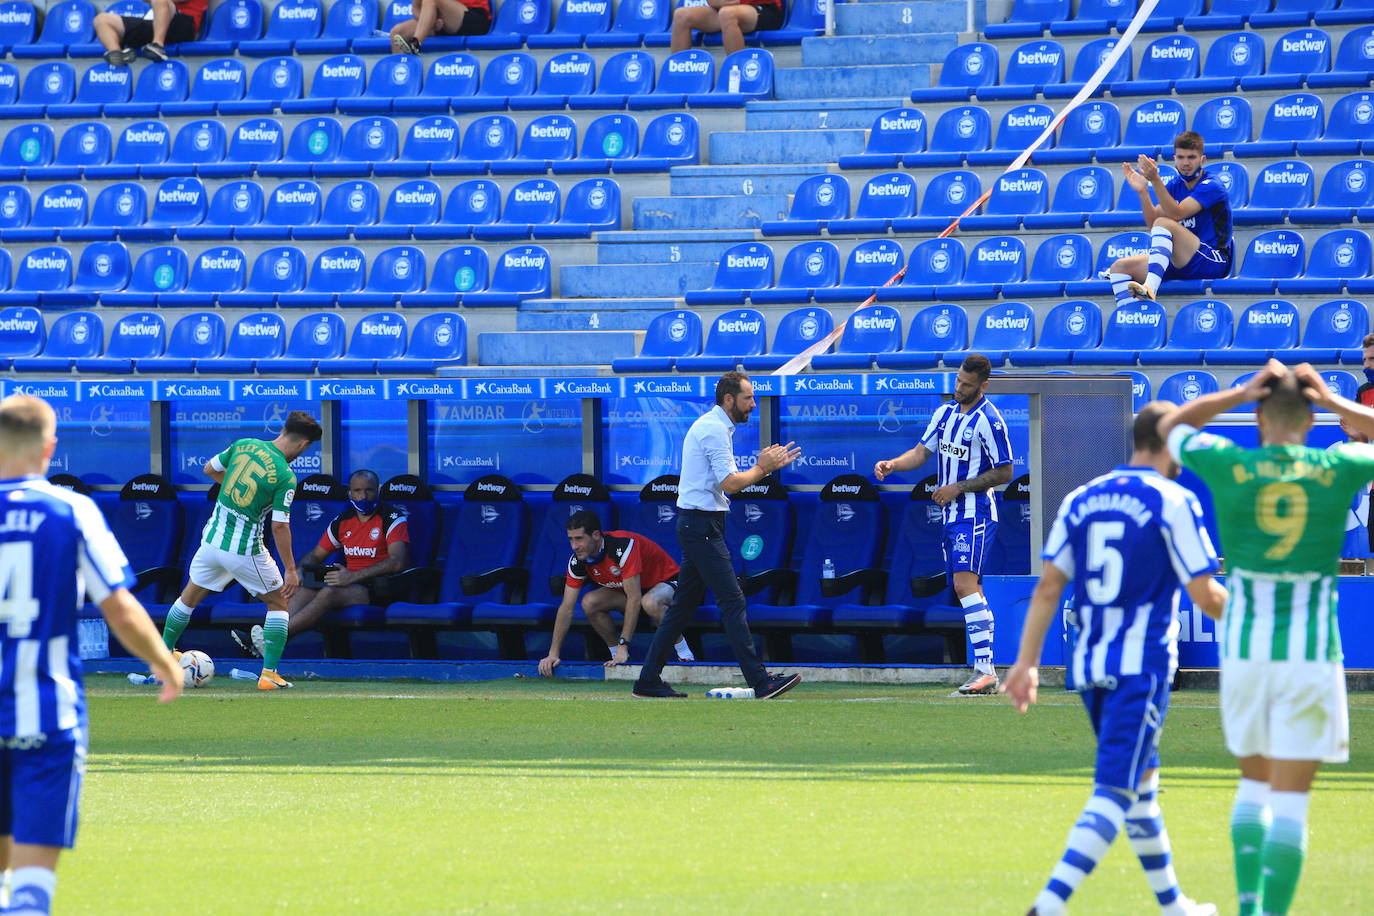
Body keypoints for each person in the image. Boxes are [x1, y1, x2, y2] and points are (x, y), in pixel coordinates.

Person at [1157, 360, 1374, 916]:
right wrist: (1332, 399)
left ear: (1258, 415)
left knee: (1253, 790)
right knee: (1292, 803)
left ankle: (1248, 906)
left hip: (1248, 652)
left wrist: (1238, 391)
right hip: (1311, 654)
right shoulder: (1338, 463)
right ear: (1310, 418)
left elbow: (1168, 428)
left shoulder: (1232, 466)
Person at [1003, 401, 1225, 916]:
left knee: (1141, 787)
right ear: (1172, 442)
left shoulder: (1082, 498)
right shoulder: (1174, 500)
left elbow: (1048, 589)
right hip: (1139, 667)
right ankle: (1049, 905)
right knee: (1115, 790)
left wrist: (1027, 663)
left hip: (1089, 664)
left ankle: (1175, 907)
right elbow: (1206, 594)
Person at [0, 394, 182, 916]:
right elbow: (120, 608)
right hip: (47, 712)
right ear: (50, 448)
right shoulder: (72, 509)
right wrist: (165, 663)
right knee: (33, 889)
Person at [632, 371, 802, 700]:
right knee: (732, 600)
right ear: (728, 399)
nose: (753, 404)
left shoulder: (717, 426)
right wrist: (764, 467)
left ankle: (647, 679)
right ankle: (761, 682)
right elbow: (731, 484)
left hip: (700, 525)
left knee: (681, 607)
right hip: (700, 527)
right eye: (748, 398)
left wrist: (763, 465)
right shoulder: (713, 429)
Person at [874, 353, 1015, 695]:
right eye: (957, 382)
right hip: (951, 516)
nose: (959, 389)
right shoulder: (945, 414)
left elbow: (1006, 470)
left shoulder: (990, 420)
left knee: (965, 585)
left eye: (966, 385)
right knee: (969, 589)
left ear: (983, 385)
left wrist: (959, 487)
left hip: (976, 511)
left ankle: (985, 671)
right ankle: (987, 670)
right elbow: (922, 452)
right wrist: (893, 464)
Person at [159, 412, 322, 691]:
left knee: (188, 599)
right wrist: (292, 570)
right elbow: (281, 527)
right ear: (303, 444)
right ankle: (269, 675)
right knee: (279, 603)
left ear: (283, 430)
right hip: (245, 548)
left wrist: (235, 488)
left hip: (212, 540)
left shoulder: (244, 444)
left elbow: (209, 469)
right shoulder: (285, 475)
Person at [231, 470, 409, 659]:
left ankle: (273, 641)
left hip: (379, 587)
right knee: (304, 590)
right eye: (357, 491)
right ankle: (268, 642)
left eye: (369, 490)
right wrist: (299, 571)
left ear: (378, 491)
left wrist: (352, 576)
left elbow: (398, 562)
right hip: (348, 583)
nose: (363, 496)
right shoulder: (343, 520)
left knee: (329, 591)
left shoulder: (392, 517)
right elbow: (315, 555)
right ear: (350, 493)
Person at [538, 510, 693, 677]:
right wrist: (553, 653)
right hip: (635, 593)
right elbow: (566, 608)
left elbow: (634, 599)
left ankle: (685, 654)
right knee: (590, 602)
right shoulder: (577, 561)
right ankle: (615, 658)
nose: (574, 546)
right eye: (571, 539)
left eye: (579, 538)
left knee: (650, 602)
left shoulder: (623, 546)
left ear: (596, 535)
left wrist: (623, 645)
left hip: (669, 583)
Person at [1106, 131, 1233, 306]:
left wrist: (1155, 179)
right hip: (1182, 259)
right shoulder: (1176, 185)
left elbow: (1176, 214)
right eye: (1181, 157)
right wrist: (1143, 192)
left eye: (1191, 157)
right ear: (1174, 158)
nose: (1186, 163)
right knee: (1120, 267)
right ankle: (1128, 321)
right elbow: (1153, 224)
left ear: (1202, 160)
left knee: (1165, 223)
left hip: (1212, 260)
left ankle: (1150, 288)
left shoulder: (1212, 185)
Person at [94, 0, 206, 66]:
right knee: (102, 20)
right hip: (155, 20)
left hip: (184, 24)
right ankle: (118, 54)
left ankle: (157, 46)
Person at [670, 0, 784, 55]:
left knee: (727, 13)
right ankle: (677, 73)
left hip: (766, 8)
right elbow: (713, 2)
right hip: (727, 8)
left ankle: (736, 70)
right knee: (681, 15)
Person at [389, 0, 491, 54]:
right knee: (398, 32)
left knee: (431, 0)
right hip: (439, 22)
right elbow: (416, 9)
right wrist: (432, 24)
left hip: (474, 19)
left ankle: (415, 45)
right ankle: (403, 80)